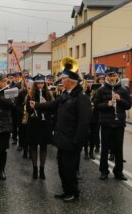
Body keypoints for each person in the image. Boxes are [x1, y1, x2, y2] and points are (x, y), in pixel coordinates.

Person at [30, 69, 91, 202]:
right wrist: (38, 105)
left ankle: (74, 193)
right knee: (62, 168)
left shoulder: (81, 97)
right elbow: (53, 104)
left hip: (72, 141)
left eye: (63, 79)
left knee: (70, 168)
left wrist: (78, 142)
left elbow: (84, 122)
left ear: (70, 81)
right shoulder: (65, 94)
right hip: (62, 139)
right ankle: (66, 190)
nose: (61, 82)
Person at [93, 67, 132, 181]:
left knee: (119, 148)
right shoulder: (101, 90)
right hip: (106, 122)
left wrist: (119, 99)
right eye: (109, 76)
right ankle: (104, 171)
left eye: (114, 75)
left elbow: (128, 105)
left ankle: (118, 171)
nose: (112, 78)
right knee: (105, 148)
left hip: (119, 123)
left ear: (118, 76)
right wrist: (107, 104)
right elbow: (96, 105)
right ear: (106, 77)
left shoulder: (124, 90)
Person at [27, 74, 55, 179]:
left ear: (44, 84)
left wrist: (46, 104)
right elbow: (28, 110)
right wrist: (30, 105)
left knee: (43, 147)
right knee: (33, 146)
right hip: (34, 123)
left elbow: (52, 109)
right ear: (35, 84)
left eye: (42, 83)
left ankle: (42, 169)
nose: (40, 85)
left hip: (45, 123)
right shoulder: (31, 94)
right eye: (38, 83)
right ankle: (35, 169)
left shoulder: (49, 94)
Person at [82, 74, 99, 160]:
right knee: (86, 135)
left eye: (92, 82)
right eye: (88, 82)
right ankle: (85, 152)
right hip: (85, 116)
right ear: (85, 82)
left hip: (94, 116)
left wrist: (94, 104)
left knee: (93, 135)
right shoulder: (83, 91)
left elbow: (99, 101)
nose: (90, 83)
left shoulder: (97, 91)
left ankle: (91, 152)